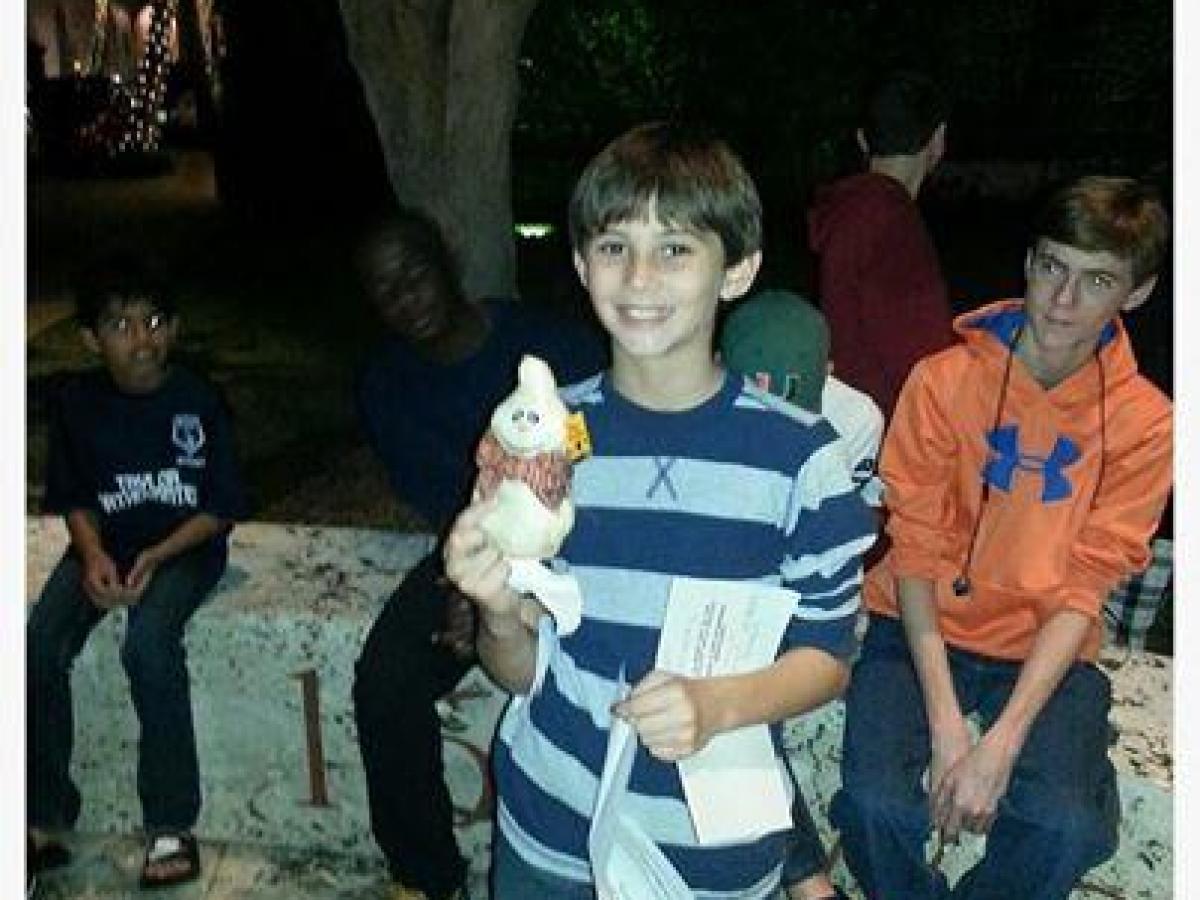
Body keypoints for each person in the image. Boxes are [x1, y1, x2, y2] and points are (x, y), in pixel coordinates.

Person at [444, 122, 876, 899]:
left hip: (707, 850)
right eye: (613, 247)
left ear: (737, 270)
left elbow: (827, 659)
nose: (639, 276)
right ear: (581, 263)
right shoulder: (544, 443)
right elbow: (518, 673)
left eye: (676, 248)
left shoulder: (802, 461)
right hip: (550, 832)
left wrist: (718, 704)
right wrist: (500, 612)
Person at [829, 176, 1172, 900]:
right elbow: (915, 549)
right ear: (1027, 262)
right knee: (873, 806)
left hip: (1044, 646)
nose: (1062, 301)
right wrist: (949, 724)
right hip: (916, 627)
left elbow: (1089, 583)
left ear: (1134, 295)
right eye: (1051, 267)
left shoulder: (1146, 423)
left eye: (1096, 281)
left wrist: (1004, 739)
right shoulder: (943, 380)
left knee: (1067, 826)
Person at [350, 211, 607, 900]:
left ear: (448, 262)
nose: (407, 298)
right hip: (473, 551)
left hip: (585, 543)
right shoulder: (386, 384)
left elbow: (596, 462)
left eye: (415, 274)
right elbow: (447, 505)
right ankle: (426, 878)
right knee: (385, 683)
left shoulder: (547, 348)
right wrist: (471, 589)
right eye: (386, 290)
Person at [27, 252, 247, 891]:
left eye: (153, 321)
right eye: (120, 326)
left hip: (184, 548)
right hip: (106, 546)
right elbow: (72, 497)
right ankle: (41, 815)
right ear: (91, 339)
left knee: (148, 644)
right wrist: (93, 556)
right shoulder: (76, 402)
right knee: (39, 646)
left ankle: (170, 825)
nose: (141, 339)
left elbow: (222, 509)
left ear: (174, 329)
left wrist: (157, 556)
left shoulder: (199, 400)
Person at [720, 288, 883, 900]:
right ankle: (809, 882)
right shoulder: (701, 406)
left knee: (738, 691)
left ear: (829, 376)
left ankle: (804, 882)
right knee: (725, 690)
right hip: (733, 592)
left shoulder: (857, 418)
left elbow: (847, 544)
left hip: (815, 589)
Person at [808, 70, 956, 419]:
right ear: (938, 140)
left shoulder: (846, 210)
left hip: (843, 415)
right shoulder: (891, 223)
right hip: (884, 433)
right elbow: (921, 356)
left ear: (862, 140)